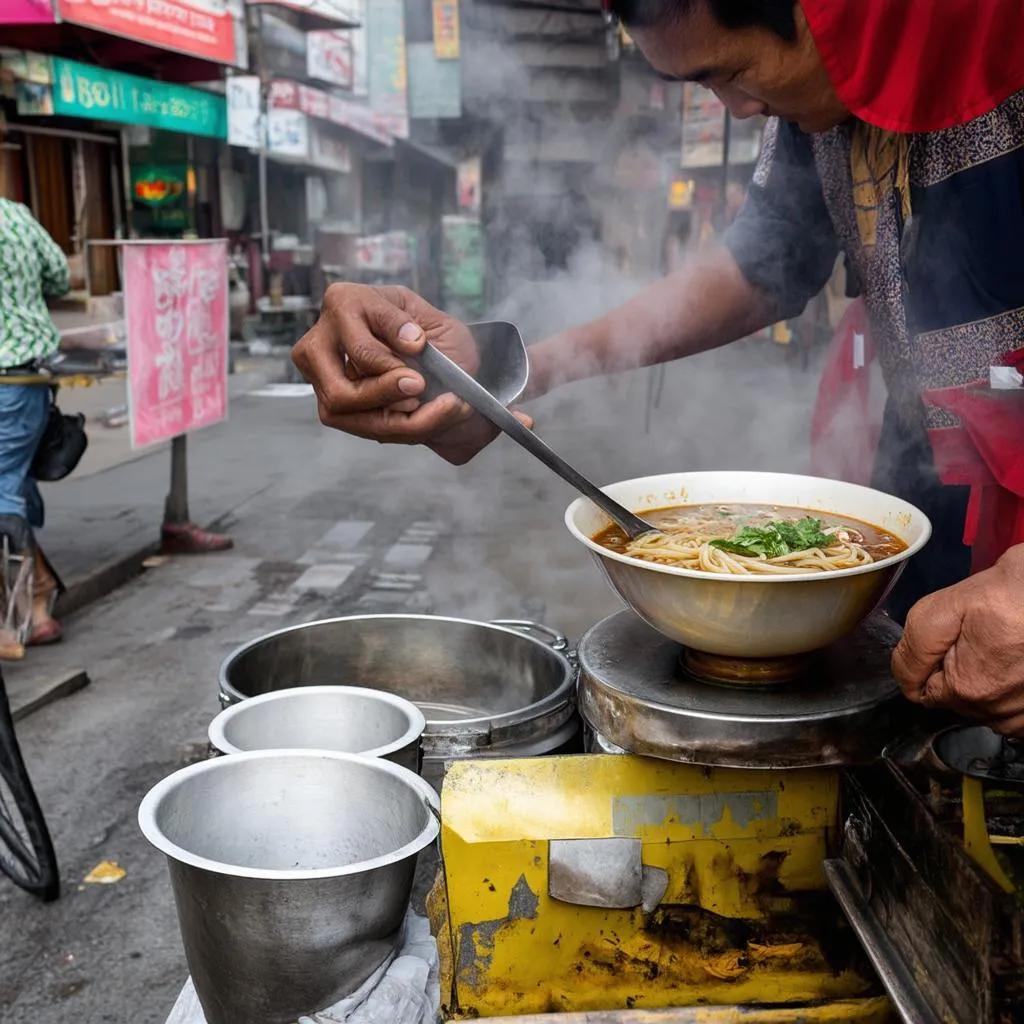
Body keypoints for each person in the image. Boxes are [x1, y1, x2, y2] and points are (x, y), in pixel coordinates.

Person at [293, 0, 1024, 734]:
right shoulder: (817, 105)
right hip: (929, 496)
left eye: (730, 72)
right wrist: (507, 371)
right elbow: (763, 263)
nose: (736, 111)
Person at [0, 198, 70, 659]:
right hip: (24, 376)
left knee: (5, 492)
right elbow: (59, 276)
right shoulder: (15, 214)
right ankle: (38, 597)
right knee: (13, 486)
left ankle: (21, 617)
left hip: (10, 377)